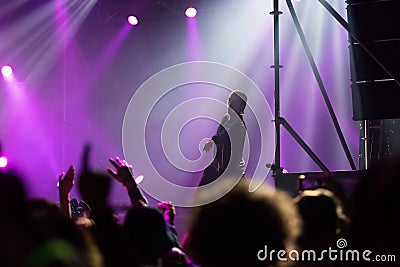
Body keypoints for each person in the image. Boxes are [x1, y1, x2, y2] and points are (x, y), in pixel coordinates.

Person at [198, 90, 247, 186]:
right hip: (219, 167)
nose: (230, 104)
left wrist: (213, 140)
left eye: (234, 102)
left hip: (231, 171)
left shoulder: (239, 125)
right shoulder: (226, 120)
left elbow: (226, 138)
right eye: (230, 100)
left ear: (241, 106)